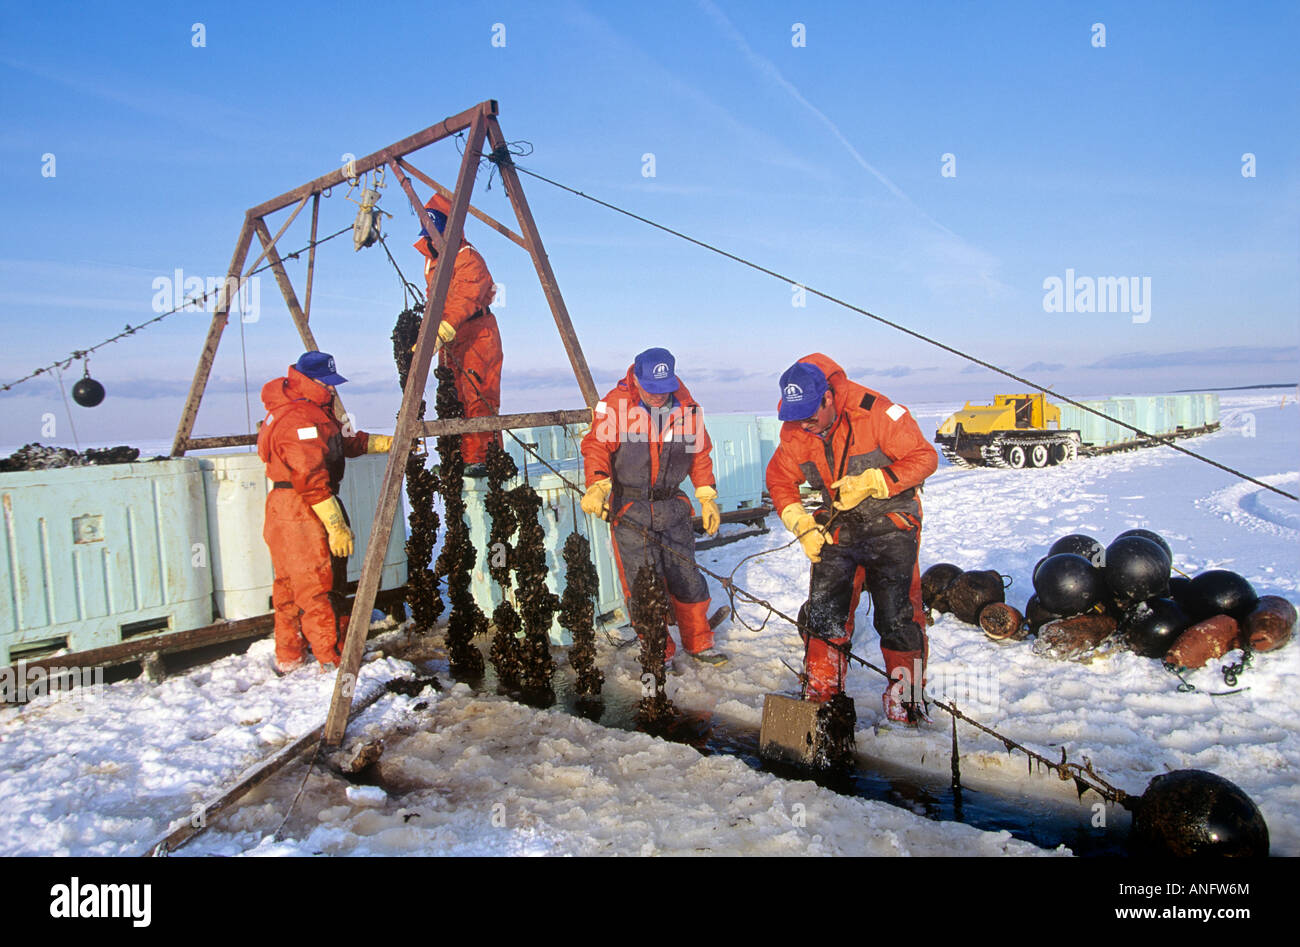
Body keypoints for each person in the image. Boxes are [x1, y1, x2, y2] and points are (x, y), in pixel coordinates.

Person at [765, 353, 938, 723]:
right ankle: (822, 691)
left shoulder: (876, 412)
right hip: (839, 523)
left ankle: (905, 698)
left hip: (890, 520)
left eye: (812, 416)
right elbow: (779, 477)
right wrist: (798, 521)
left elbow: (925, 457)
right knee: (825, 610)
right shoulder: (796, 427)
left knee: (897, 615)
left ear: (828, 397)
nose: (806, 426)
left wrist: (876, 481)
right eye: (798, 419)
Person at [579, 347, 728, 665]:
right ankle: (658, 648)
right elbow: (596, 446)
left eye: (664, 389)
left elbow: (700, 454)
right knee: (642, 582)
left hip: (672, 506)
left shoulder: (688, 410)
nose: (659, 397)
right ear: (637, 380)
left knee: (686, 575)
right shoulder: (616, 406)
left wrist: (707, 496)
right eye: (652, 390)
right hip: (630, 508)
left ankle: (699, 642)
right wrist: (597, 484)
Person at [257, 351, 393, 674]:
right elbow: (310, 478)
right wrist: (335, 525)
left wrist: (385, 442)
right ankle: (333, 659)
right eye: (326, 383)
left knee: (289, 586)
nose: (332, 389)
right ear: (309, 380)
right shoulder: (299, 419)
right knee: (319, 586)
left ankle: (289, 656)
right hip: (302, 509)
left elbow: (344, 442)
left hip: (283, 508)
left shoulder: (304, 409)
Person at [413, 192, 501, 472]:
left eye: (435, 232)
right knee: (453, 396)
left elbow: (467, 296)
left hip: (476, 334)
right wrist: (426, 335)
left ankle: (481, 458)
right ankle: (459, 458)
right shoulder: (431, 263)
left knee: (478, 393)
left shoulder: (468, 257)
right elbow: (433, 301)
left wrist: (443, 330)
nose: (430, 239)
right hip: (450, 340)